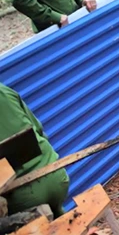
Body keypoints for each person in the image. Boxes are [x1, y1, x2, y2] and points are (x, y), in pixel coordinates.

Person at [0, 83, 70, 217]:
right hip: (56, 175)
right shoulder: (3, 90)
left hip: (23, 195)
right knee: (67, 221)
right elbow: (37, 128)